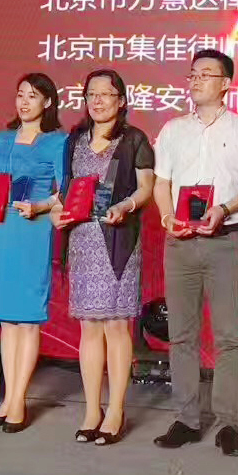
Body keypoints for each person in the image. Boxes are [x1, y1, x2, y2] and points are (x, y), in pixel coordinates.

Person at [151, 49, 238, 457]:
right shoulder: (172, 130)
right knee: (181, 334)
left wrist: (225, 208)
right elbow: (161, 183)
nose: (196, 80)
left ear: (226, 84)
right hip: (180, 243)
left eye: (206, 74)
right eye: (192, 74)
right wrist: (167, 216)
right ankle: (186, 419)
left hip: (224, 241)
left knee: (228, 337)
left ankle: (228, 424)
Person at [50, 69, 155, 446]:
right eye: (91, 94)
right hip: (82, 240)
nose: (97, 101)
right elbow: (63, 191)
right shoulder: (74, 140)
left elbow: (146, 188)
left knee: (116, 326)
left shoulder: (134, 139)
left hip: (119, 240)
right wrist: (55, 212)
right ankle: (92, 409)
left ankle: (116, 410)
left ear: (121, 101)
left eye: (105, 94)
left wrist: (126, 206)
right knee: (89, 328)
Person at [0, 73, 67, 433]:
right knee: (6, 321)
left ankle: (19, 401)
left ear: (48, 102)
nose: (24, 102)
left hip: (32, 229)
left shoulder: (58, 141)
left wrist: (40, 206)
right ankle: (8, 399)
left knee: (27, 318)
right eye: (20, 94)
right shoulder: (3, 138)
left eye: (33, 96)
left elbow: (65, 190)